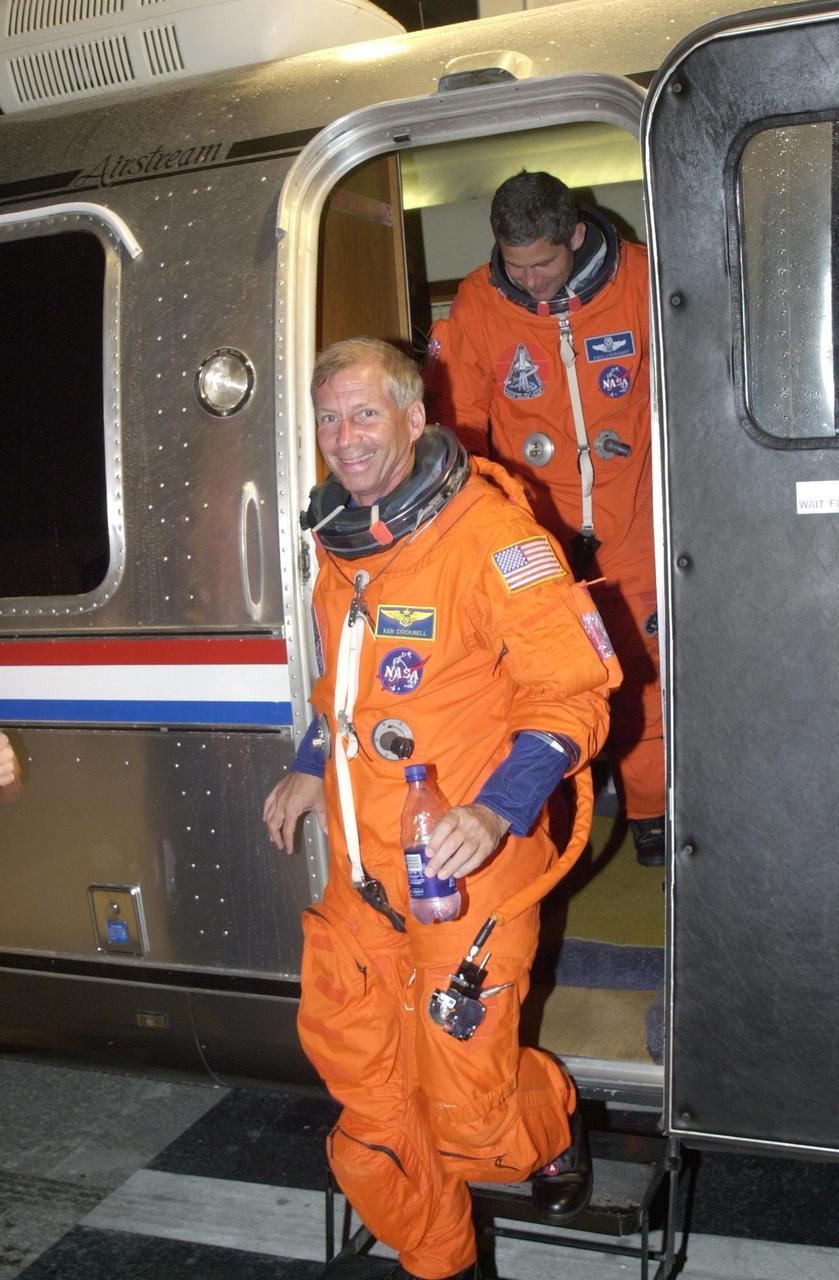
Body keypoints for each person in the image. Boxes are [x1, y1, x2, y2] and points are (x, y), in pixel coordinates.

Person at [263, 338, 613, 1280]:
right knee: (371, 1118)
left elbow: (572, 694)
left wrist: (497, 812)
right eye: (329, 418)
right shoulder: (347, 541)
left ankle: (546, 1114)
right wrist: (308, 762)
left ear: (416, 419)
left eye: (364, 414)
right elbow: (350, 684)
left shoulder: (492, 539)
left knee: (466, 1122)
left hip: (467, 875)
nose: (344, 438)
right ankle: (444, 1264)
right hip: (364, 881)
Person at [425, 170, 664, 866]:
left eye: (543, 263)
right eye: (514, 264)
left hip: (636, 520)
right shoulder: (477, 302)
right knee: (544, 683)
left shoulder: (642, 282)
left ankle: (650, 813)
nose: (528, 279)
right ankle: (544, 825)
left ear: (576, 236)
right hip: (537, 537)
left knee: (641, 672)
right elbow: (460, 422)